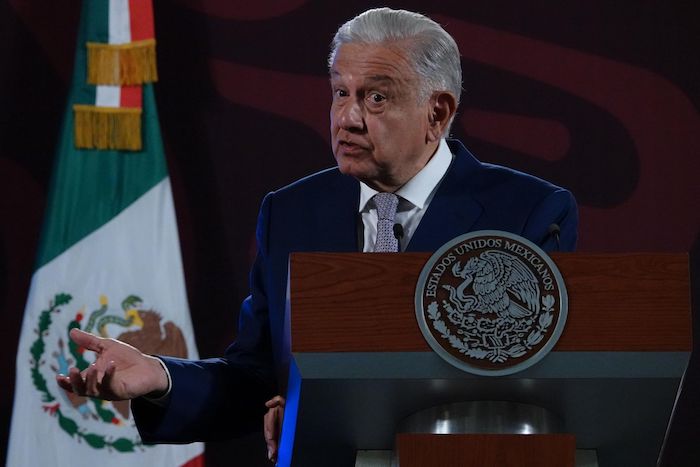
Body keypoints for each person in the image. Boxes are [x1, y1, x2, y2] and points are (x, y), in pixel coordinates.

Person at [57, 7, 578, 464]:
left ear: (436, 113)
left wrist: (325, 410)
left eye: (376, 97)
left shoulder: (527, 213)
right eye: (340, 93)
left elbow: (524, 383)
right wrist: (160, 377)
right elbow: (256, 375)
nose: (347, 118)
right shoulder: (292, 212)